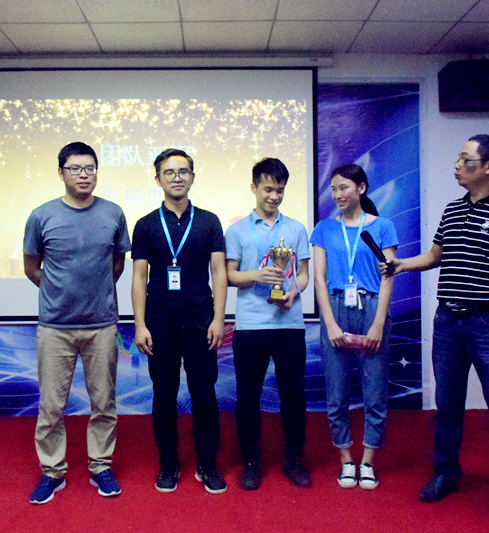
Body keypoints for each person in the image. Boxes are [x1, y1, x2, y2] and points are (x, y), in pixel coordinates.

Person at [385, 135, 489, 521]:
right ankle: (445, 473)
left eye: (465, 159)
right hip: (448, 322)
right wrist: (401, 265)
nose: (457, 165)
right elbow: (436, 255)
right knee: (447, 406)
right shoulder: (453, 209)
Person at [23, 142, 130, 503]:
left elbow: (117, 263)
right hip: (55, 327)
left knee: (104, 403)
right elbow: (32, 267)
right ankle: (52, 472)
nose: (84, 175)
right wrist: (60, 293)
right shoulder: (42, 215)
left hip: (102, 325)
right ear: (61, 172)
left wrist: (95, 292)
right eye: (76, 168)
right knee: (51, 406)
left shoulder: (113, 213)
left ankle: (100, 466)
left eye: (90, 168)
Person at [131, 148, 228, 494]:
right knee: (164, 394)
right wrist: (140, 325)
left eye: (183, 171)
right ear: (158, 178)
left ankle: (207, 463)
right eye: (169, 172)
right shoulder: (145, 225)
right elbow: (139, 277)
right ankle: (169, 463)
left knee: (204, 394)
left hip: (201, 318)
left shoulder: (209, 221)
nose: (176, 177)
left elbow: (219, 272)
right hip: (160, 319)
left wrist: (219, 318)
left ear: (192, 177)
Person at [225, 157, 311, 490]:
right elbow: (229, 275)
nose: (274, 196)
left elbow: (303, 274)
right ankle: (251, 461)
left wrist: (293, 292)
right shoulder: (237, 230)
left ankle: (294, 459)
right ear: (254, 188)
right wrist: (257, 276)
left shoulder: (296, 229)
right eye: (268, 189)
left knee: (294, 395)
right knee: (248, 396)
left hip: (289, 324)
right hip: (250, 325)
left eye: (280, 190)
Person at [310, 163, 398, 490]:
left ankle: (368, 461)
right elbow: (319, 279)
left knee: (375, 393)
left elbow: (388, 276)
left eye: (343, 187)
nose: (337, 194)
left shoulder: (383, 226)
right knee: (336, 394)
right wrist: (330, 323)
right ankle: (346, 459)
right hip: (336, 307)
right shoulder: (323, 229)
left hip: (372, 305)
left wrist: (378, 324)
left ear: (361, 188)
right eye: (333, 189)